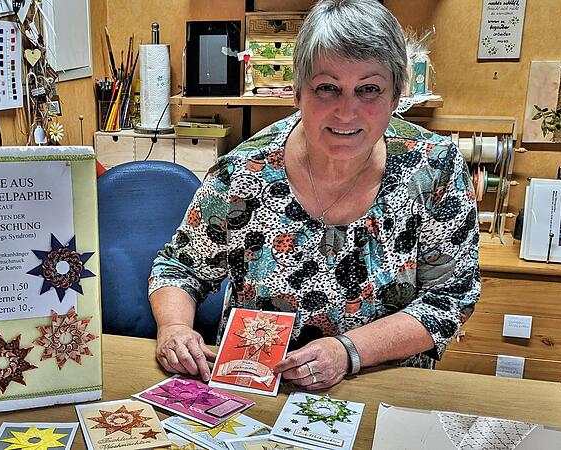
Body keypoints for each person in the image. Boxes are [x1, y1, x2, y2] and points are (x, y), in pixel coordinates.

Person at [148, 0, 480, 391]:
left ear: (396, 96)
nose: (347, 111)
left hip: (384, 385)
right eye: (327, 88)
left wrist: (348, 351)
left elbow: (452, 296)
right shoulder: (242, 173)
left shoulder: (434, 169)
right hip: (258, 386)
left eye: (369, 89)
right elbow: (179, 268)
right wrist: (174, 329)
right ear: (297, 92)